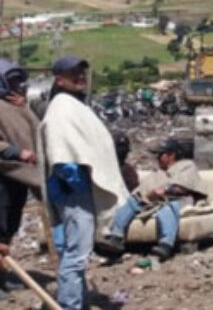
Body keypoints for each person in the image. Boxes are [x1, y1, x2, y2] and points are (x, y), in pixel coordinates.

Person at [38, 56, 130, 310]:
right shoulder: (62, 108)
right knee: (77, 255)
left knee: (76, 251)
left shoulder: (73, 105)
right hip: (73, 191)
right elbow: (62, 153)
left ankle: (73, 300)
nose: (80, 77)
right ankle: (70, 305)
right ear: (60, 79)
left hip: (78, 189)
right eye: (73, 73)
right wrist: (80, 184)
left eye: (82, 72)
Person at [105, 138, 208, 260]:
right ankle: (116, 237)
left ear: (171, 155)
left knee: (167, 207)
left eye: (160, 154)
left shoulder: (186, 166)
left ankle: (166, 245)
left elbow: (184, 187)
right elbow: (143, 190)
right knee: (132, 201)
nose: (158, 158)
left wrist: (166, 190)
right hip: (153, 201)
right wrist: (145, 195)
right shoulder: (157, 172)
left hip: (178, 199)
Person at [0, 59, 39, 297]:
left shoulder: (17, 105)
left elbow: (37, 131)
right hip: (2, 176)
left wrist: (26, 109)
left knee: (10, 226)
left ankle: (3, 275)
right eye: (12, 80)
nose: (17, 85)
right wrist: (17, 152)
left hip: (19, 176)